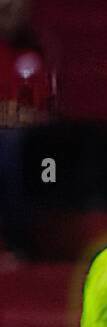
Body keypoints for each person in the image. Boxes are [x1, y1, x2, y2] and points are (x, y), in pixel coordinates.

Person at [1, 0, 55, 260]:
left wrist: (16, 116)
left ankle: (17, 243)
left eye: (15, 6)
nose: (9, 12)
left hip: (26, 137)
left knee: (10, 149)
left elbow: (39, 108)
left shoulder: (34, 50)